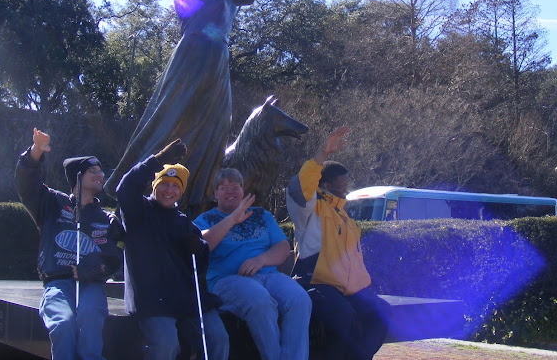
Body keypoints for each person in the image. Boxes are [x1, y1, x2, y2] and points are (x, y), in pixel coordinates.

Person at [105, 0, 303, 214]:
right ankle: (137, 191)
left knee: (213, 132)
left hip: (218, 60)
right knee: (173, 124)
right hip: (195, 55)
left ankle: (194, 201)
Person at [14, 128, 124, 360]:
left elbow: (114, 258)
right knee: (63, 325)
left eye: (100, 170)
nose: (99, 174)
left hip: (91, 285)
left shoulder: (108, 219)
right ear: (76, 177)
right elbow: (26, 183)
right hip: (57, 284)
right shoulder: (52, 203)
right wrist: (36, 151)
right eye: (91, 171)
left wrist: (96, 270)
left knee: (90, 320)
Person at [114, 139, 229, 360]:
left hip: (186, 297)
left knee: (218, 338)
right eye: (164, 184)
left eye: (176, 186)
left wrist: (199, 248)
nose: (169, 190)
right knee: (166, 345)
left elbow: (201, 265)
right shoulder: (138, 210)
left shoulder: (184, 222)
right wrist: (158, 160)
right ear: (155, 186)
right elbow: (125, 187)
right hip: (152, 299)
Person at [286, 126, 390, 360]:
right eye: (341, 185)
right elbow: (301, 184)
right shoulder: (309, 208)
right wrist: (323, 153)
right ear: (326, 185)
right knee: (344, 318)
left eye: (346, 184)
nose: (346, 188)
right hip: (315, 283)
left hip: (347, 288)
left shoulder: (344, 214)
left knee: (381, 313)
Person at [193, 168, 311, 360]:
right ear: (215, 194)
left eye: (235, 186)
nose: (230, 190)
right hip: (227, 280)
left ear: (242, 189)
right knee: (260, 301)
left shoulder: (261, 215)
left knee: (299, 299)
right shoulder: (205, 219)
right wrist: (233, 219)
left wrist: (261, 259)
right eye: (223, 187)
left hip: (269, 276)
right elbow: (202, 244)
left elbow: (282, 247)